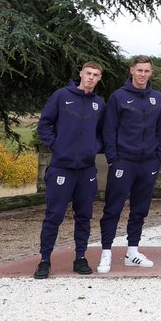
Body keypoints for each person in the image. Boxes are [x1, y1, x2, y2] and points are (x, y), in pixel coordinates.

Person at [34, 62, 106, 279]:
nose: (91, 78)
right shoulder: (61, 96)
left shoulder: (99, 104)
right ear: (80, 74)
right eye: (88, 73)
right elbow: (44, 125)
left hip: (86, 169)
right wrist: (57, 145)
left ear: (99, 78)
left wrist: (95, 147)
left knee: (84, 216)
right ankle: (45, 260)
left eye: (95, 75)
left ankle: (80, 257)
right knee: (54, 216)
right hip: (61, 168)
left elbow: (103, 133)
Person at [97, 56, 161, 273]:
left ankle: (132, 251)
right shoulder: (119, 97)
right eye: (139, 70)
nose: (143, 74)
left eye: (147, 71)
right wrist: (113, 158)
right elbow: (109, 129)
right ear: (131, 71)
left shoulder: (157, 97)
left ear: (151, 73)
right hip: (123, 162)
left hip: (148, 164)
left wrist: (158, 156)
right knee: (113, 208)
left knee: (140, 209)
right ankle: (106, 253)